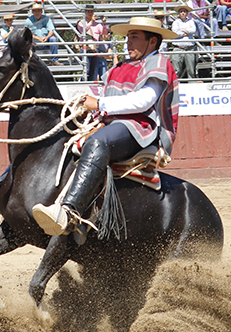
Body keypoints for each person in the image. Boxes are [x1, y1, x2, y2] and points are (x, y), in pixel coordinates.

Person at [30, 17, 179, 237]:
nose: (128, 42)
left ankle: (70, 211)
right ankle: (0, 191)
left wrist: (99, 104)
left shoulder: (158, 63)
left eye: (134, 37)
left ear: (153, 42)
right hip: (109, 122)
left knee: (97, 142)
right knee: (61, 136)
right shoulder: (119, 67)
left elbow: (145, 101)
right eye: (127, 37)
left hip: (139, 126)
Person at [76, 5, 110, 81]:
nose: (90, 13)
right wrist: (91, 22)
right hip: (85, 48)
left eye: (91, 11)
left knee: (93, 71)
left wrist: (104, 23)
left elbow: (104, 33)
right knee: (86, 69)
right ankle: (83, 83)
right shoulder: (81, 22)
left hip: (95, 48)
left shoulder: (97, 24)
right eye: (88, 11)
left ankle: (89, 85)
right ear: (85, 12)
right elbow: (83, 31)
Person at [171, 4, 198, 79]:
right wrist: (187, 32)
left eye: (184, 11)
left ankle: (191, 84)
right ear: (179, 13)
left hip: (190, 48)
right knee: (176, 70)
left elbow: (193, 30)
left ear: (187, 13)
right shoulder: (175, 22)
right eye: (181, 11)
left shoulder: (191, 22)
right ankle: (176, 86)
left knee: (191, 71)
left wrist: (181, 31)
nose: (182, 13)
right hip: (178, 48)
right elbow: (175, 32)